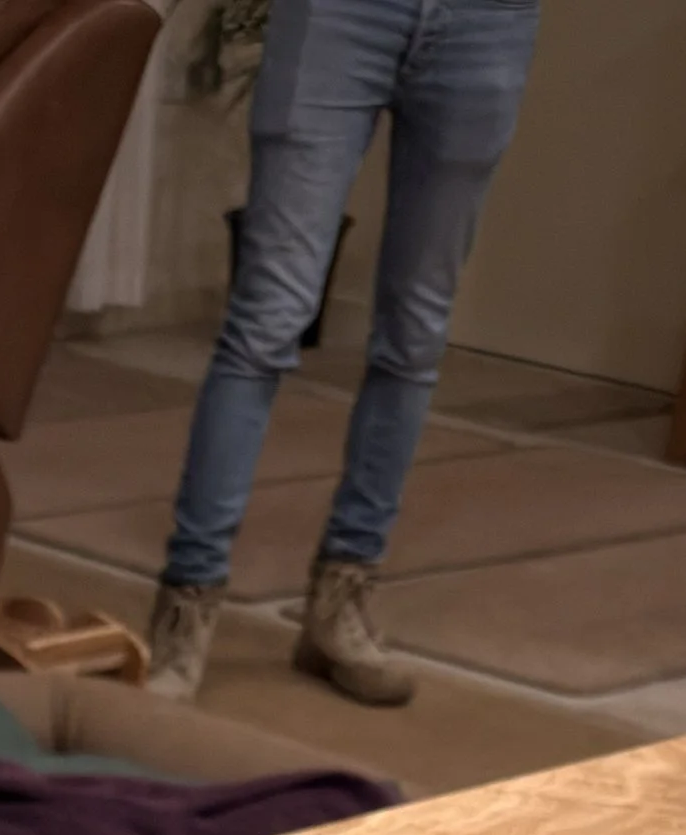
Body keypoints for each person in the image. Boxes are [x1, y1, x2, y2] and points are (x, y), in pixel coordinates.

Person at [147, 0, 542, 707]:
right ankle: (187, 606)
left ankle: (343, 599)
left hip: (488, 21)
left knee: (415, 333)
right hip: (340, 15)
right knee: (267, 320)